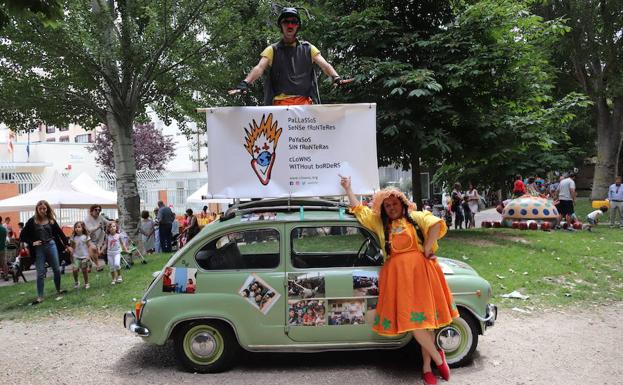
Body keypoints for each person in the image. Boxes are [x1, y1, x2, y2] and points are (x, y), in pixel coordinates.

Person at [340, 176, 457, 384]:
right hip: (398, 277)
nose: (391, 207)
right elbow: (359, 209)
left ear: (402, 203)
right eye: (387, 205)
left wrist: (428, 248)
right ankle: (440, 358)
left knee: (426, 322)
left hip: (422, 273)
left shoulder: (416, 216)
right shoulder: (379, 223)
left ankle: (427, 367)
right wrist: (349, 188)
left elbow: (437, 225)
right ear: (383, 209)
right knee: (414, 322)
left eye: (394, 203)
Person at [232, 7, 347, 106]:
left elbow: (325, 65)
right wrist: (246, 82)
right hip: (280, 106)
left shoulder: (309, 48)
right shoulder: (272, 49)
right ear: (281, 26)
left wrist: (336, 77)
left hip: (304, 105)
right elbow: (259, 68)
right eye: (286, 22)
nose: (290, 25)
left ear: (298, 26)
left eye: (294, 22)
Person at [19, 200, 70, 305]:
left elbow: (60, 233)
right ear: (37, 209)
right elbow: (22, 236)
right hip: (39, 249)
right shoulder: (32, 221)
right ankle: (40, 296)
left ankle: (58, 289)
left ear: (47, 209)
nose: (42, 210)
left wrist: (67, 245)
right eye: (40, 208)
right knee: (40, 273)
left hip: (51, 245)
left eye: (44, 208)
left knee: (56, 269)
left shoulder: (51, 220)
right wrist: (32, 242)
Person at [69, 221, 94, 289]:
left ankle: (86, 283)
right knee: (75, 270)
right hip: (76, 257)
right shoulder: (73, 237)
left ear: (83, 228)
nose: (77, 228)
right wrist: (70, 252)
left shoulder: (86, 237)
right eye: (76, 227)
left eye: (79, 227)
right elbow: (71, 247)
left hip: (84, 257)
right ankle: (76, 282)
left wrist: (89, 255)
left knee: (84, 270)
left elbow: (89, 246)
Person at [84, 205, 108, 270]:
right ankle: (97, 266)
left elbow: (107, 222)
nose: (98, 211)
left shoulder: (100, 217)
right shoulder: (87, 219)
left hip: (99, 238)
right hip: (89, 238)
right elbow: (89, 229)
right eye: (96, 210)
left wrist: (114, 223)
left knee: (93, 251)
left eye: (99, 210)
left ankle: (90, 264)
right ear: (91, 211)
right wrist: (97, 227)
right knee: (93, 249)